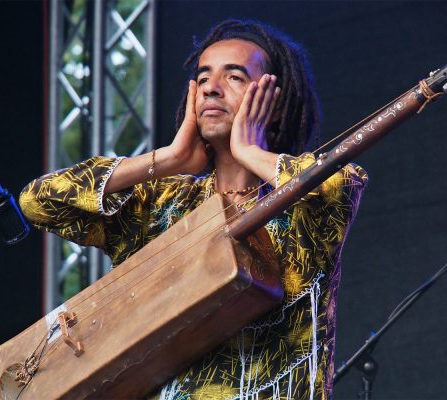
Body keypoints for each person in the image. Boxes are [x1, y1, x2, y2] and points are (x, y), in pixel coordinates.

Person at [20, 19, 368, 399]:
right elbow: (39, 201)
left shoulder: (304, 206)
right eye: (202, 80)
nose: (212, 89)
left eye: (234, 77)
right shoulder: (163, 204)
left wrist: (249, 151)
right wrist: (166, 159)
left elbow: (340, 183)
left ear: (274, 102)